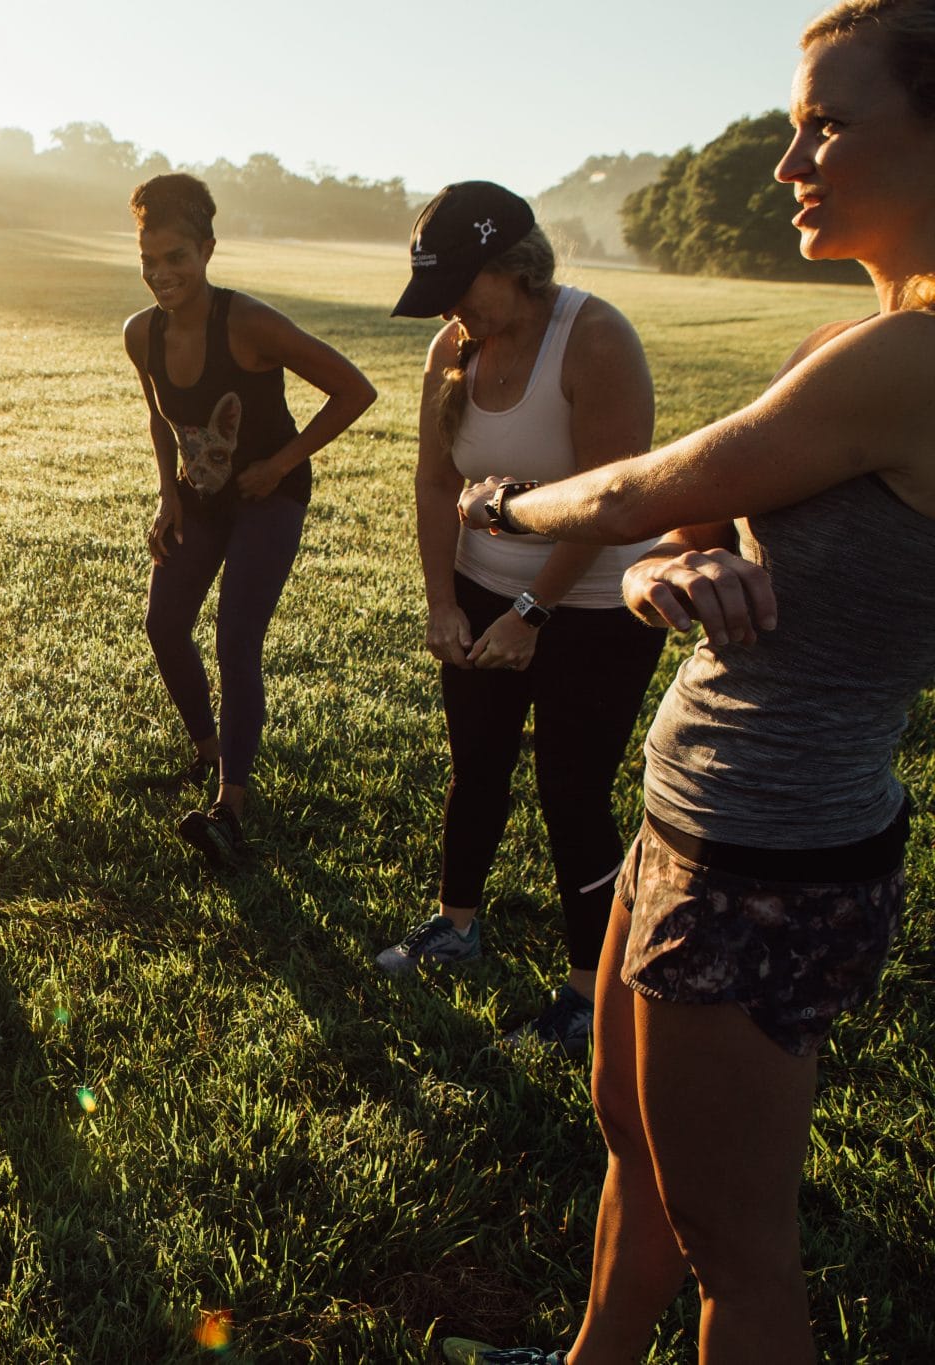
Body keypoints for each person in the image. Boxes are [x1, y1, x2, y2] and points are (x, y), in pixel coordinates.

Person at [441, 3, 935, 1359]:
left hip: (765, 849)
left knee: (740, 1251)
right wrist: (668, 579)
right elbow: (694, 534)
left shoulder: (916, 358)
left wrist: (511, 502)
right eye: (792, 128)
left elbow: (651, 486)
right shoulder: (867, 343)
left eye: (828, 124)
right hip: (699, 817)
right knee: (629, 1141)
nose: (792, 164)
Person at [375, 182, 667, 1054]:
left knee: (572, 791)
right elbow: (434, 483)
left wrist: (532, 613)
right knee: (478, 766)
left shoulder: (596, 337)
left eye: (465, 287)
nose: (454, 311)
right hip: (481, 592)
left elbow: (615, 502)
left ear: (517, 267)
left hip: (594, 605)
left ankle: (589, 992)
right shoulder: (451, 348)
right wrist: (442, 601)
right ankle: (455, 925)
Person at [123, 173, 377, 866]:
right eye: (148, 261)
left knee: (237, 638)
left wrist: (280, 462)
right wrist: (167, 494)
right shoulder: (139, 333)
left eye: (176, 257)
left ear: (207, 249)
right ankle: (209, 750)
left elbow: (354, 389)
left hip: (271, 495)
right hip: (199, 495)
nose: (161, 274)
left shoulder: (248, 323)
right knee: (164, 623)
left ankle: (229, 807)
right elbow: (158, 415)